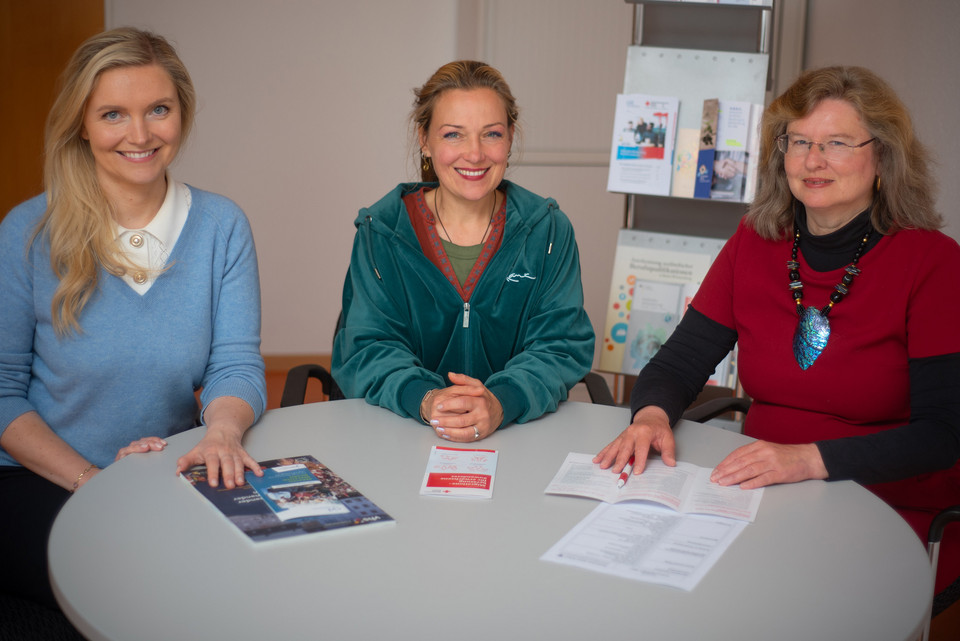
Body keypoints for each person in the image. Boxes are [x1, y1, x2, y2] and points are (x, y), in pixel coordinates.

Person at [594, 66, 960, 597]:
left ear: (881, 155)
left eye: (836, 142)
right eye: (799, 142)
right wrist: (650, 415)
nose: (813, 160)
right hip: (758, 494)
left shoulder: (933, 262)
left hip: (886, 504)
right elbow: (679, 362)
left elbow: (943, 435)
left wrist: (808, 458)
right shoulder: (755, 240)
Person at [0, 28, 267, 610]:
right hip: (44, 477)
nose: (140, 135)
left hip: (165, 472)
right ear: (82, 124)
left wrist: (222, 431)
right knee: (129, 582)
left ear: (182, 115)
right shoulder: (26, 233)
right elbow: (1, 393)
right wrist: (94, 485)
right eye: (114, 114)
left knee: (248, 577)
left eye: (158, 110)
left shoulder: (222, 226)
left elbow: (236, 364)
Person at [332, 60, 594, 443]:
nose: (474, 154)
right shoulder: (382, 232)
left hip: (520, 439)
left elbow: (560, 344)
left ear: (510, 138)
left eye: (491, 134)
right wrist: (427, 400)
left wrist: (501, 401)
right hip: (401, 437)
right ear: (425, 139)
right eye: (454, 135)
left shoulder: (549, 231)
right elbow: (367, 346)